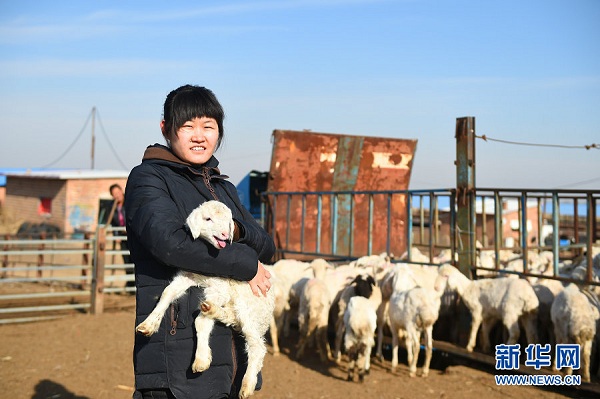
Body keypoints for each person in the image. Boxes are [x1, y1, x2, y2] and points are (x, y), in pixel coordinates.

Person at [124, 84, 275, 399]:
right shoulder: (149, 179)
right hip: (179, 349)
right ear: (166, 129)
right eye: (187, 126)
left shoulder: (222, 187)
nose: (199, 135)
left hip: (229, 353)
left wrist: (236, 230)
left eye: (208, 126)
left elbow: (266, 245)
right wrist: (247, 263)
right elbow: (170, 243)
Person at [109, 183, 133, 287]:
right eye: (114, 194)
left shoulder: (129, 202)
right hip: (122, 237)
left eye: (118, 192)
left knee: (134, 259)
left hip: (132, 236)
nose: (117, 195)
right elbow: (112, 223)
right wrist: (116, 235)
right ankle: (130, 282)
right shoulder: (113, 207)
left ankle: (134, 283)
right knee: (126, 260)